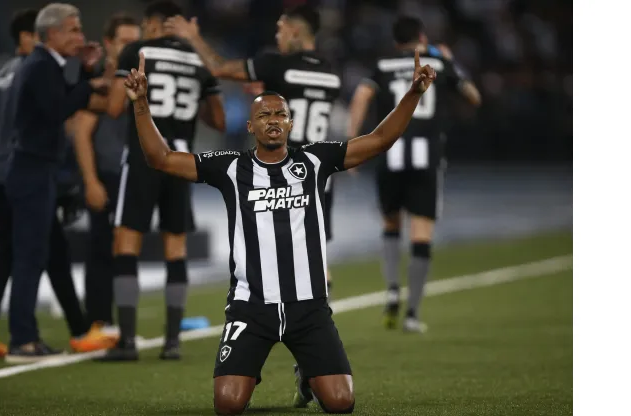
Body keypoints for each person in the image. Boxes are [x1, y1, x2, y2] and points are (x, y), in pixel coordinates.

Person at [122, 47, 436, 414]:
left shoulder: (316, 160)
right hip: (250, 308)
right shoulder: (230, 167)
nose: (273, 120)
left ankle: (308, 374)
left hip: (309, 308)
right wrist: (141, 104)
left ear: (290, 123)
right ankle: (271, 368)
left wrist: (413, 94)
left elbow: (380, 140)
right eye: (264, 115)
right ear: (251, 126)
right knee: (227, 404)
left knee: (341, 402)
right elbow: (159, 158)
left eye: (280, 114)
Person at [165, 4, 340, 295]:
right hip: (320, 173)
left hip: (282, 172)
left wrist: (193, 37)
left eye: (281, 30)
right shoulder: (330, 73)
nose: (278, 37)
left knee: (267, 254)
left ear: (295, 30)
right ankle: (318, 315)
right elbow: (294, 94)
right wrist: (265, 92)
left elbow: (219, 67)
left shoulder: (276, 64)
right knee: (313, 252)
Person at [0, 8, 116, 360]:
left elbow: (57, 100)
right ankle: (23, 339)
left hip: (29, 171)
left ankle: (45, 332)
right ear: (50, 34)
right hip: (31, 171)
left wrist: (84, 73)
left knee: (40, 254)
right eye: (73, 30)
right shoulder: (39, 65)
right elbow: (58, 109)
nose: (81, 37)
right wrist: (87, 84)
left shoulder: (39, 64)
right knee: (30, 257)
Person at [96, 0, 226, 362]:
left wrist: (112, 72)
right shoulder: (199, 59)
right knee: (176, 249)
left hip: (143, 153)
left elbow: (113, 107)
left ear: (151, 24)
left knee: (126, 244)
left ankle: (127, 341)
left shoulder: (136, 50)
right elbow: (217, 120)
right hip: (182, 157)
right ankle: (172, 342)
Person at [346, 16, 481, 333]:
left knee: (391, 224)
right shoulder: (437, 61)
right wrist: (449, 62)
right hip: (427, 156)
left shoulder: (381, 63)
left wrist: (353, 142)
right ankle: (413, 313)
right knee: (421, 233)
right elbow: (474, 96)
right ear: (422, 37)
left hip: (389, 152)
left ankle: (392, 289)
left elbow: (361, 96)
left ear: (395, 41)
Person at [72, 12, 140, 332]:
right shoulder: (98, 81)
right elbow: (81, 133)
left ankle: (117, 321)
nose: (132, 47)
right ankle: (98, 320)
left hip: (131, 174)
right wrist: (91, 181)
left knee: (123, 249)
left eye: (136, 41)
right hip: (107, 174)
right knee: (101, 247)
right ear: (110, 44)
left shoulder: (139, 80)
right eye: (125, 41)